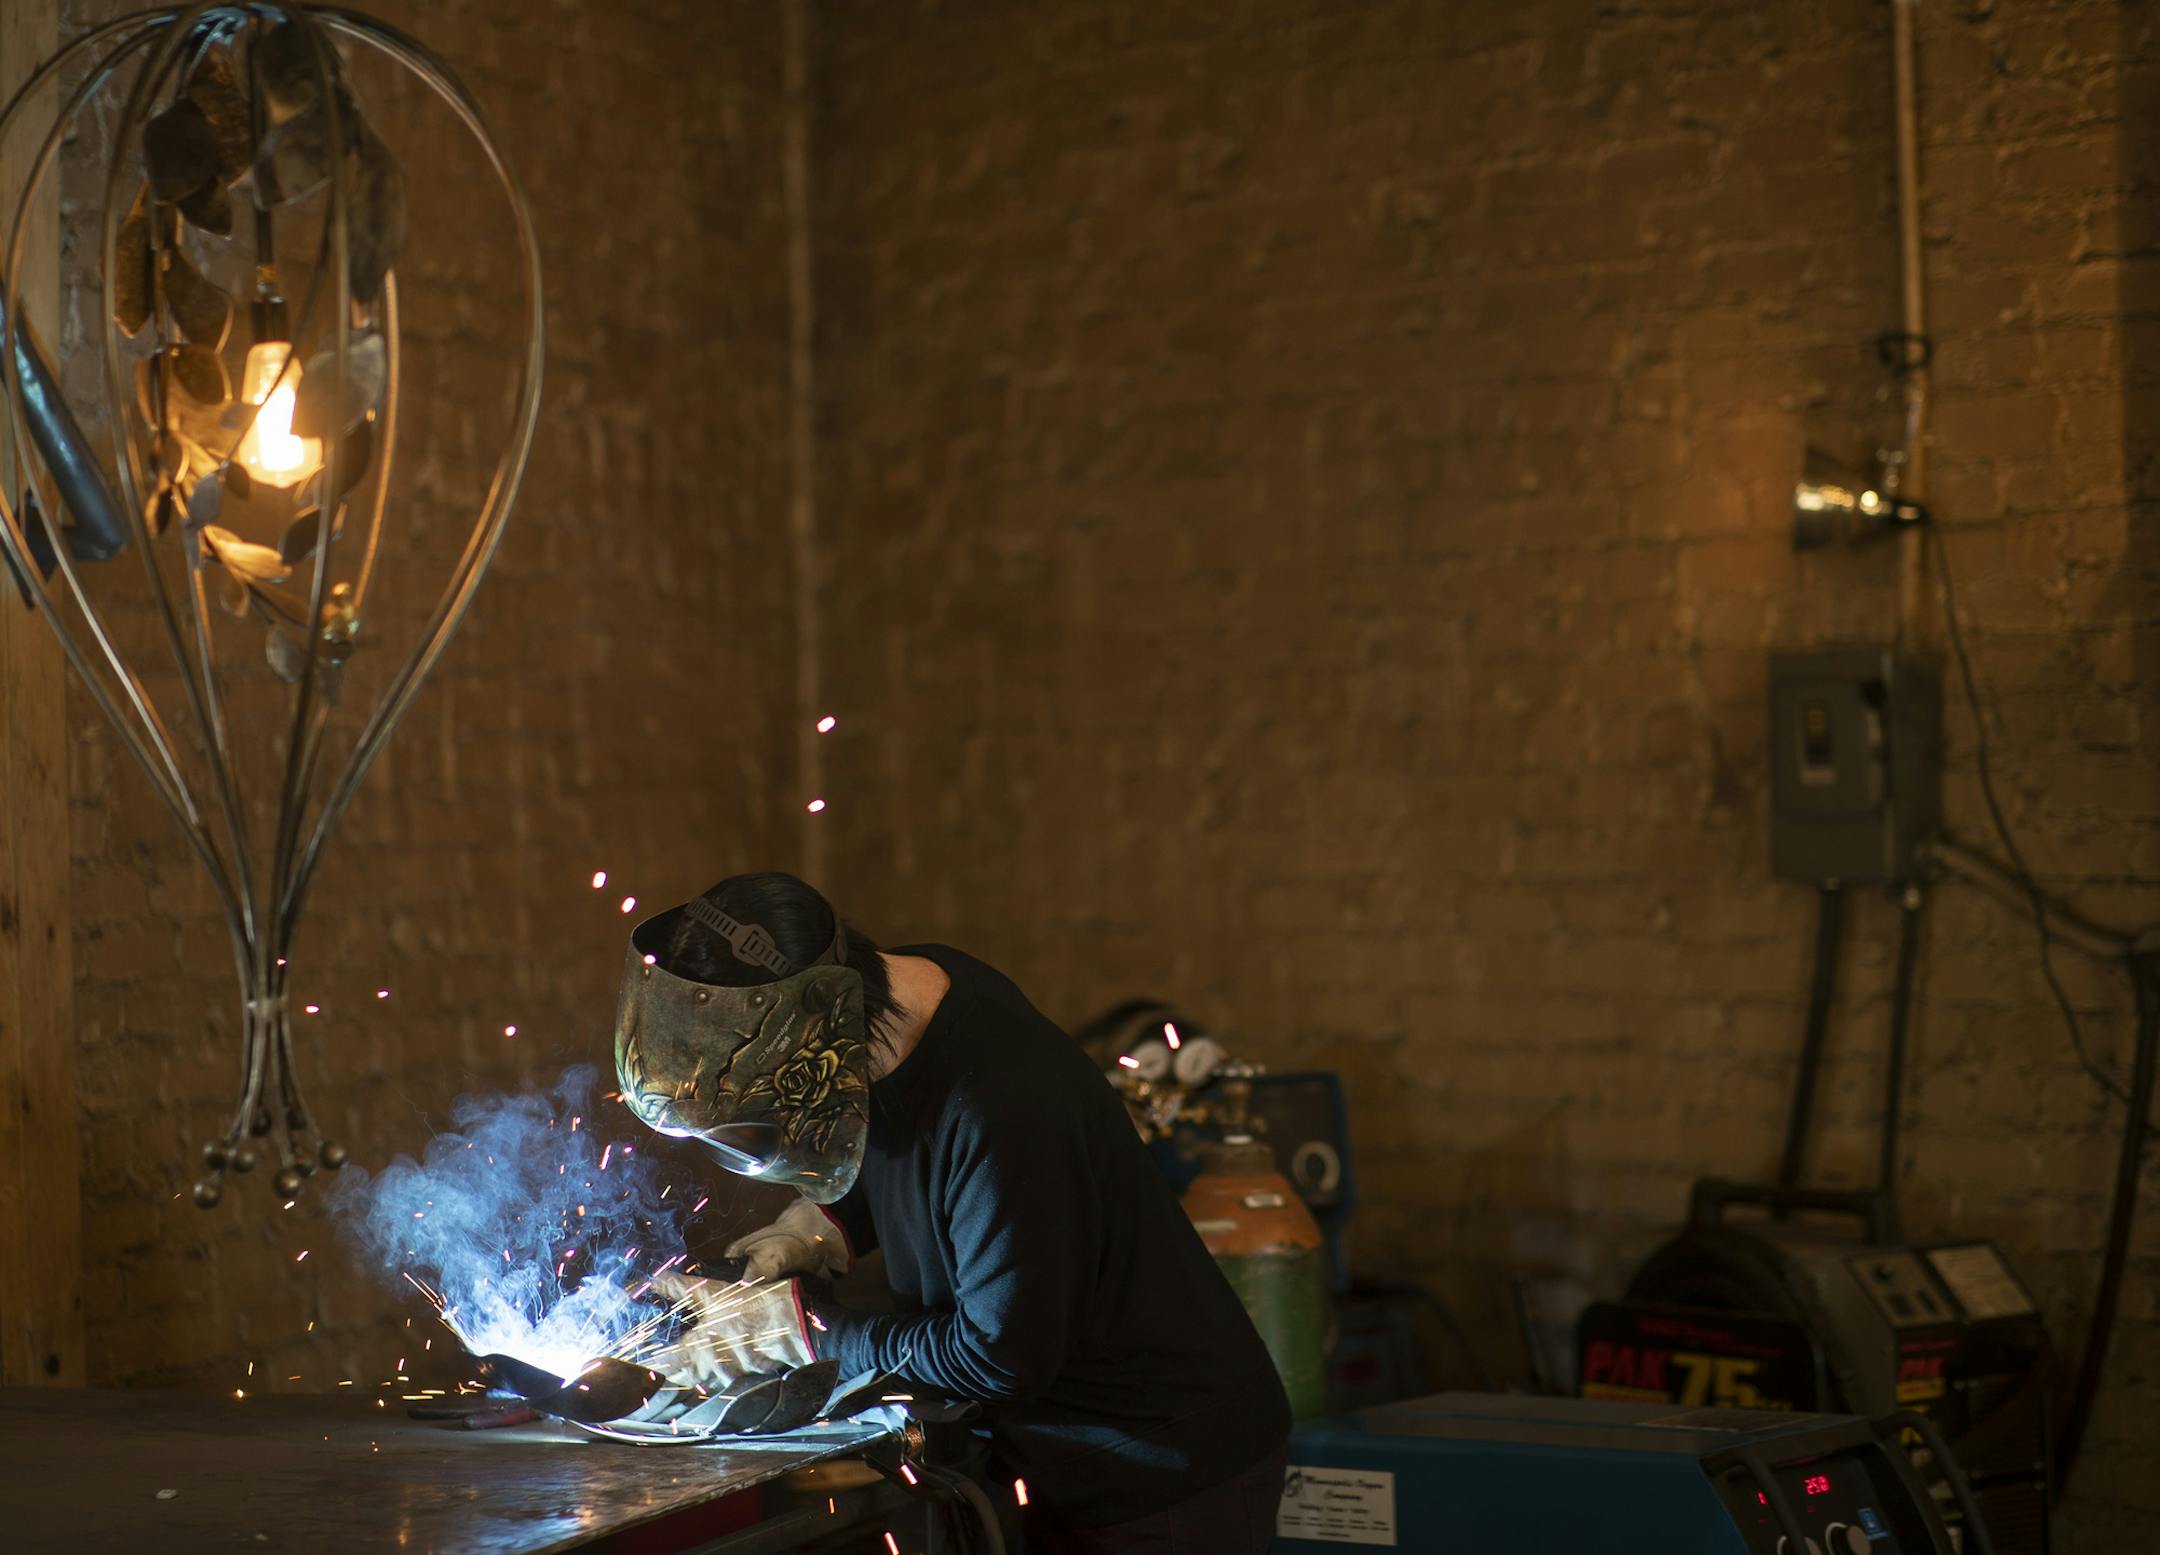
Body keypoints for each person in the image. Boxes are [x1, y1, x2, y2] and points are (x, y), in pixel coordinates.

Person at [613, 871, 1290, 1553]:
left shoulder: (1003, 1101)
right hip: (1056, 1453)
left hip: (1165, 1471)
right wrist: (818, 1226)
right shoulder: (904, 994)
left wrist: (804, 1330)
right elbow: (908, 1144)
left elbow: (997, 1354)